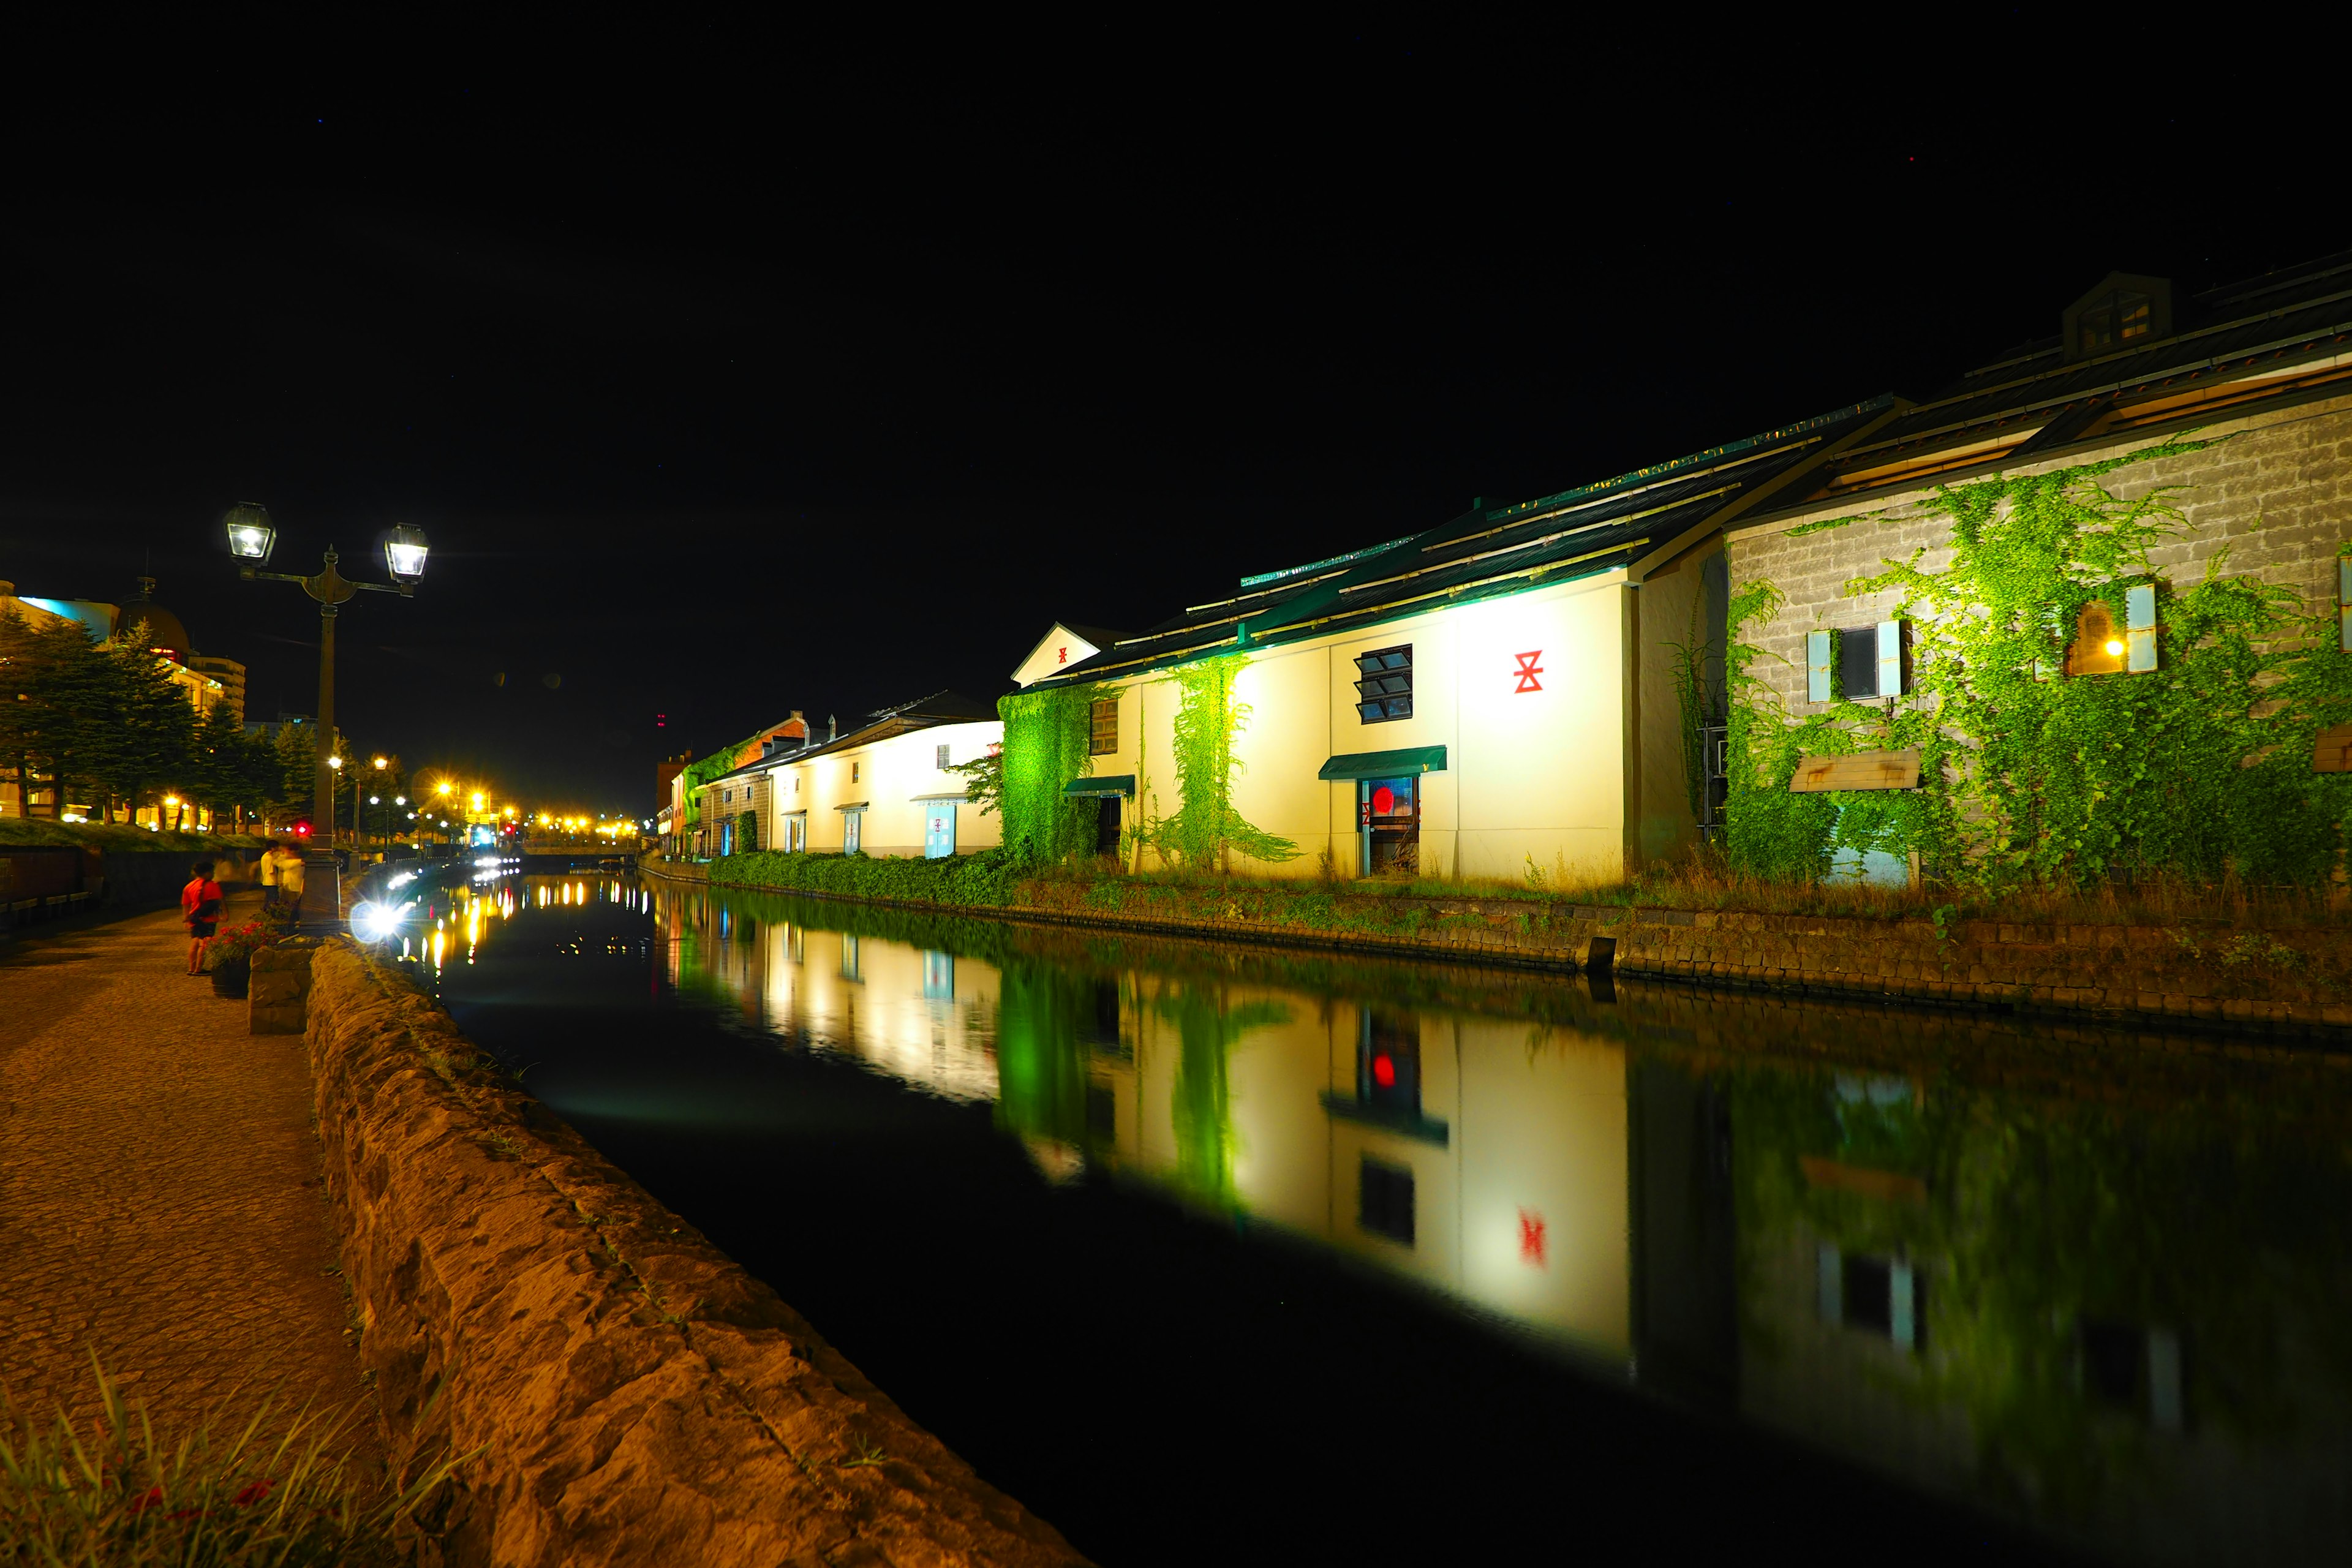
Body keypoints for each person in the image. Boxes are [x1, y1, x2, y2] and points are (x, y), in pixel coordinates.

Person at [181, 859, 225, 975]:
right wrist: (225, 913)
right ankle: (199, 969)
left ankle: (191, 968)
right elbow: (220, 901)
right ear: (207, 873)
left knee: (194, 942)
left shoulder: (189, 886)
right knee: (204, 943)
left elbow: (186, 904)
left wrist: (186, 918)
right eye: (212, 872)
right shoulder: (213, 886)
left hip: (194, 918)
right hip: (208, 918)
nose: (213, 874)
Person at [258, 839, 282, 910]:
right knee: (273, 900)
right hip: (271, 882)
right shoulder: (269, 858)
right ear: (273, 848)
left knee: (269, 899)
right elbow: (271, 871)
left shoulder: (266, 856)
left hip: (267, 882)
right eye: (277, 847)